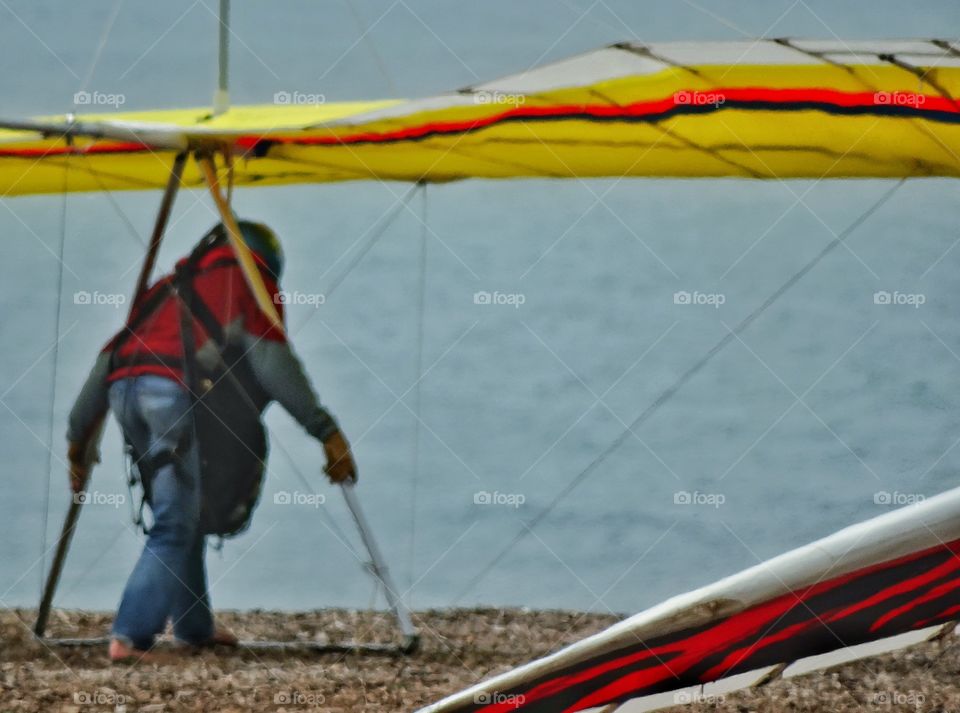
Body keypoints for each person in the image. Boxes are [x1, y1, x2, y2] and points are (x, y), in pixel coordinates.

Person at [65, 220, 356, 662]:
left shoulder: (169, 285)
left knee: (185, 508)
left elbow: (107, 359)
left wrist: (77, 443)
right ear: (268, 262)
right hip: (170, 393)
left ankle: (193, 627)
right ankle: (129, 637)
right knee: (174, 521)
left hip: (123, 392)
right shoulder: (249, 282)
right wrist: (325, 431)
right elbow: (274, 365)